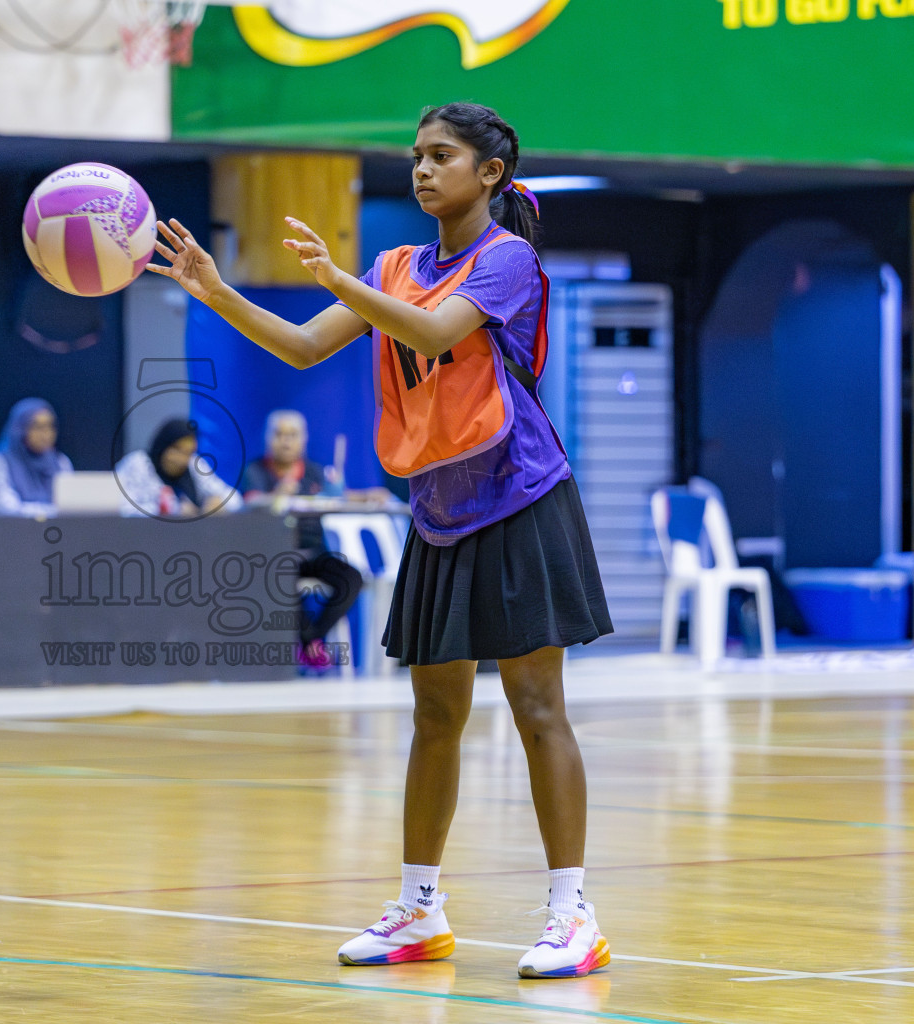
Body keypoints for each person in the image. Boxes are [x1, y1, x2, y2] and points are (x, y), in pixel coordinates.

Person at [148, 101, 613, 979]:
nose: (423, 169)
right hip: (440, 506)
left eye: (443, 156)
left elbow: (434, 331)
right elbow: (298, 347)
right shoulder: (397, 263)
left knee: (536, 707)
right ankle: (420, 908)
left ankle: (571, 913)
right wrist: (215, 289)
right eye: (416, 156)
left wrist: (340, 281)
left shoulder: (508, 260)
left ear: (490, 175)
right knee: (435, 713)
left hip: (521, 497)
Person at [238, 410, 362, 669]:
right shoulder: (256, 470)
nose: (285, 441)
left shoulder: (314, 472)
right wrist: (278, 494)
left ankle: (312, 640)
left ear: (303, 440)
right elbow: (249, 503)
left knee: (351, 578)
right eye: (279, 434)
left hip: (314, 552)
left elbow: (336, 497)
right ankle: (311, 645)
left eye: (292, 435)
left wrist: (368, 495)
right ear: (267, 439)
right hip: (275, 554)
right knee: (278, 578)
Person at [116, 417, 240, 518]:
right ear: (163, 446)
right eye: (177, 450)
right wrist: (174, 511)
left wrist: (218, 502)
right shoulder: (137, 463)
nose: (182, 459)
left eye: (188, 452)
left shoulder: (193, 463)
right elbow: (123, 509)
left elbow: (234, 498)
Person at [0, 397, 72, 517]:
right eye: (38, 427)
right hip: (10, 533)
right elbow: (5, 509)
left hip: (56, 532)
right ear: (20, 429)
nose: (46, 434)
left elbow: (70, 505)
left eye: (50, 426)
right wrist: (53, 512)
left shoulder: (61, 462)